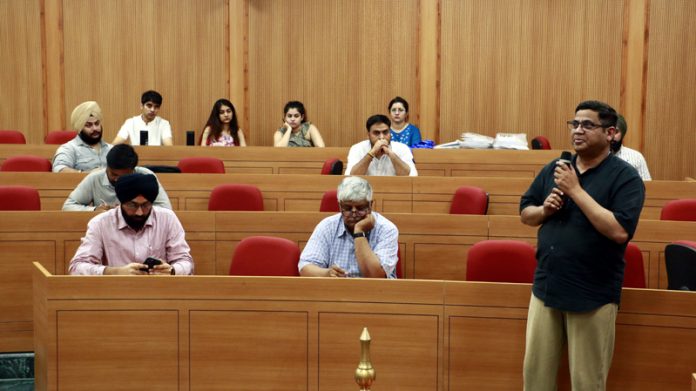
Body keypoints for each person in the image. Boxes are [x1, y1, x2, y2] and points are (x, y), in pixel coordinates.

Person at [520, 100, 645, 390]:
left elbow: (619, 231)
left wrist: (575, 190)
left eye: (588, 125)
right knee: (535, 377)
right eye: (574, 124)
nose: (578, 130)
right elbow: (526, 212)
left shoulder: (625, 178)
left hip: (592, 293)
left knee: (587, 381)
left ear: (611, 133)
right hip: (546, 287)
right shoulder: (556, 167)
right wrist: (544, 211)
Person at [68, 173, 194, 275]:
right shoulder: (100, 223)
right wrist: (114, 272)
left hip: (159, 292)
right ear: (121, 202)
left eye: (145, 205)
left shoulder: (168, 219)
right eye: (133, 205)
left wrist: (171, 270)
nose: (139, 213)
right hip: (114, 293)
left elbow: (186, 262)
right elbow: (76, 268)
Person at [298, 176, 398, 278]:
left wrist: (359, 232)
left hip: (376, 292)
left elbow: (376, 277)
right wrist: (327, 274)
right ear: (340, 206)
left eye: (360, 208)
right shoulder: (327, 226)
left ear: (370, 205)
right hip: (336, 290)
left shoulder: (387, 229)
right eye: (347, 208)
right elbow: (305, 267)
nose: (354, 214)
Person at [62, 144, 172, 211]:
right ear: (106, 168)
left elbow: (166, 209)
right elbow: (67, 206)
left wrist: (137, 209)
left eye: (124, 176)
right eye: (113, 174)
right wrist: (94, 210)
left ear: (134, 170)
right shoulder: (95, 178)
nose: (117, 180)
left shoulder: (146, 176)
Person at [345, 114, 417, 176]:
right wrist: (372, 153)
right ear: (368, 134)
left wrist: (390, 153)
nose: (381, 137)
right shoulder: (357, 148)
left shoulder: (402, 148)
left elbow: (411, 175)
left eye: (385, 132)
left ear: (390, 133)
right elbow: (351, 176)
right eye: (376, 133)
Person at [52, 101, 111, 173]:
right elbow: (59, 169)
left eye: (97, 123)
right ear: (79, 128)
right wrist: (86, 174)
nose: (95, 128)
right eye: (88, 125)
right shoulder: (69, 148)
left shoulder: (111, 149)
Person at [611, 114, 651, 180]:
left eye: (616, 132)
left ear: (622, 134)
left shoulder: (636, 157)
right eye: (609, 132)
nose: (612, 136)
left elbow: (647, 185)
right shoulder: (596, 157)